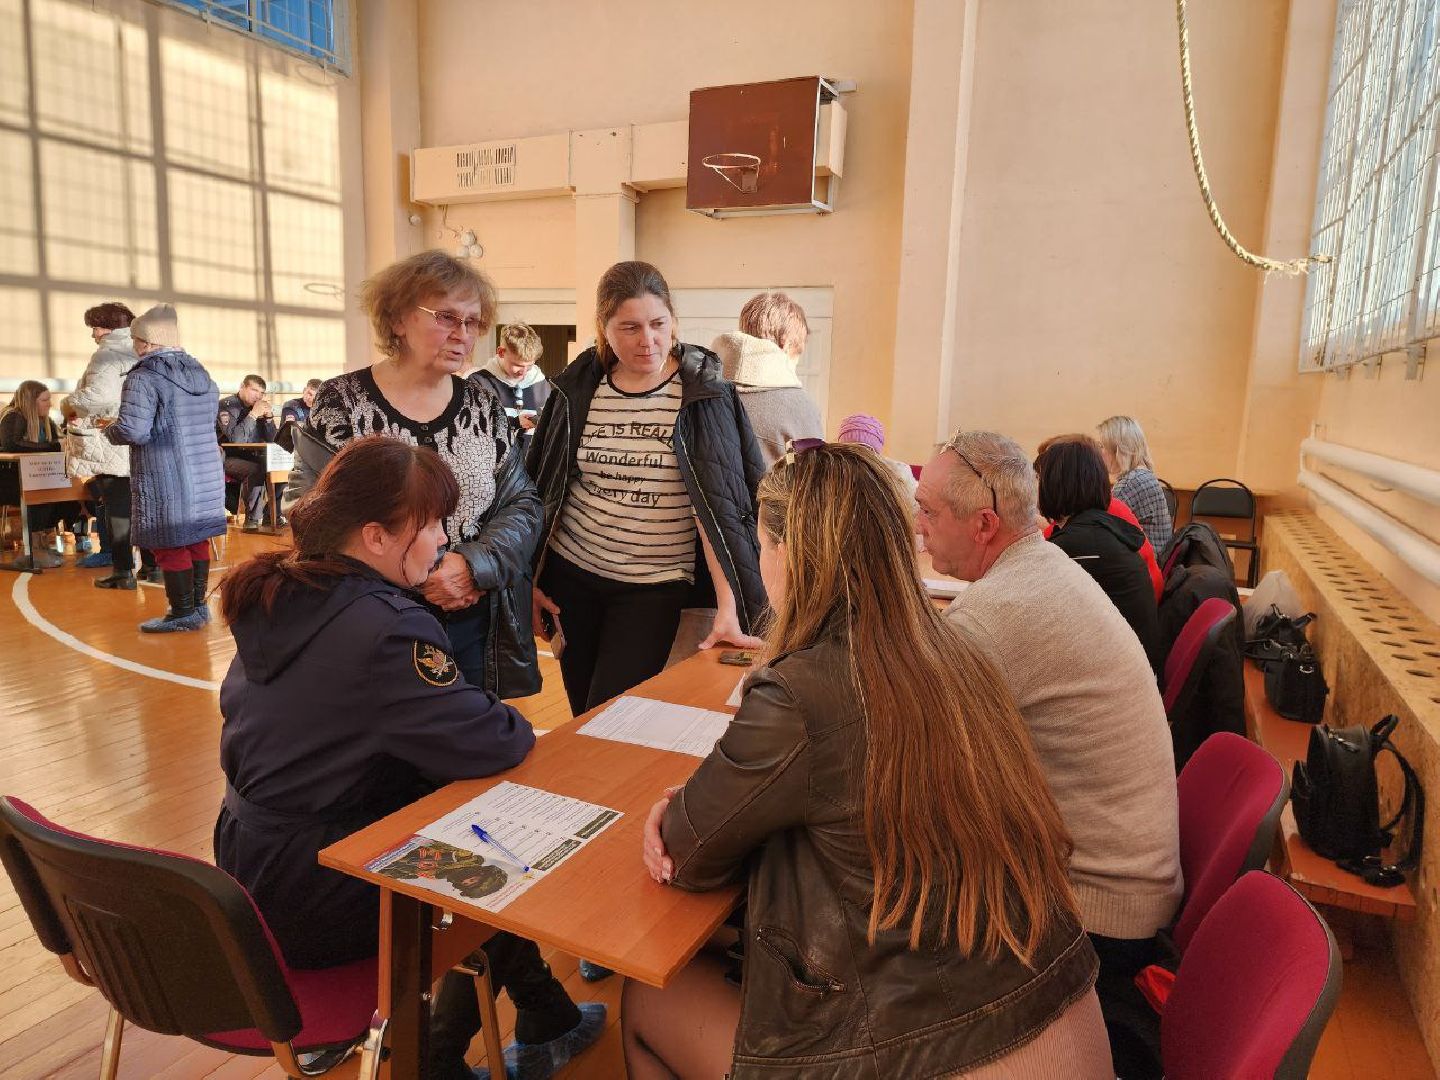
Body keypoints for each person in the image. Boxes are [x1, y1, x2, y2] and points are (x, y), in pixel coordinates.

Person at [622, 443, 1109, 1079]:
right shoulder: (955, 651)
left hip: (942, 1046)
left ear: (790, 555)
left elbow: (687, 853)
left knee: (646, 997)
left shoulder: (800, 692)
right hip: (1056, 1001)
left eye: (763, 546)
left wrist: (669, 811)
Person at [215, 436, 604, 1080]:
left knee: (462, 839)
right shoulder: (386, 627)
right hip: (323, 888)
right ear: (374, 536)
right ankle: (434, 1062)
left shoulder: (281, 591)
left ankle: (547, 1017)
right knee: (495, 862)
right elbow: (493, 740)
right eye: (428, 526)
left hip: (249, 866)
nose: (441, 541)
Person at [918, 430, 1181, 1078]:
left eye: (928, 512)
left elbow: (895, 750)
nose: (918, 529)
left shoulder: (1000, 612)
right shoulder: (1046, 568)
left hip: (1094, 916)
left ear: (983, 524)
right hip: (1123, 882)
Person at [286, 249, 542, 697]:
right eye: (446, 317)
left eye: (472, 322)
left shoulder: (481, 404)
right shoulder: (342, 402)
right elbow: (310, 515)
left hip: (474, 615)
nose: (462, 334)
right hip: (377, 620)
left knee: (472, 750)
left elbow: (522, 505)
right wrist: (415, 572)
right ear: (398, 319)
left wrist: (471, 566)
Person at [528, 260, 767, 718]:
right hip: (573, 577)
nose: (647, 340)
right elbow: (544, 487)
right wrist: (531, 580)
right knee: (582, 713)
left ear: (674, 321)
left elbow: (717, 509)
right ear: (604, 327)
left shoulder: (704, 393)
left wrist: (729, 605)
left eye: (658, 324)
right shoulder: (578, 386)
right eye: (630, 327)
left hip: (652, 587)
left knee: (610, 714)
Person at [105, 304, 228, 633]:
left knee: (169, 540)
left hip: (166, 473)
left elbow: (133, 430)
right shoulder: (202, 375)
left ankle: (182, 613)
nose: (133, 346)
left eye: (134, 340)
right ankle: (198, 608)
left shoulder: (144, 376)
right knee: (195, 539)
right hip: (204, 474)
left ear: (145, 342)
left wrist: (109, 429)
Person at [1035, 435, 1164, 678]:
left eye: (1040, 479)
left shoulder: (1079, 543)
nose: (1036, 487)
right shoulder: (1095, 527)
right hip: (1130, 668)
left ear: (1057, 484)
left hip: (1121, 683)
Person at [66, 302, 145, 587]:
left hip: (112, 441)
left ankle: (123, 572)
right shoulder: (140, 350)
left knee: (118, 506)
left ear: (108, 328)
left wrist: (68, 404)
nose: (93, 335)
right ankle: (150, 565)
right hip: (137, 438)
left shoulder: (106, 355)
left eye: (96, 328)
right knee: (141, 505)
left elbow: (97, 397)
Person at [710, 291, 822, 469]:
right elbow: (812, 484)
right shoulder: (801, 408)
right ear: (785, 344)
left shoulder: (703, 390)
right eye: (797, 355)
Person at [0, 380, 79, 568]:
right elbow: (12, 445)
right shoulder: (12, 416)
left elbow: (59, 440)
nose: (49, 404)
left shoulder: (46, 420)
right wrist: (56, 445)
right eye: (45, 400)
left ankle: (42, 542)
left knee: (70, 500)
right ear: (30, 401)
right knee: (42, 495)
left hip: (39, 476)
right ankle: (33, 548)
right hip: (10, 478)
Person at [1097, 415, 1173, 555]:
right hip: (1157, 560)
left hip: (1149, 566)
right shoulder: (1142, 475)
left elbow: (1099, 528)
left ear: (1118, 449)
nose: (1098, 452)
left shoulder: (1130, 483)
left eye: (1102, 446)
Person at [473, 322, 552, 453]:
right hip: (494, 466)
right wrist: (514, 422)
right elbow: (472, 427)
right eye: (518, 365)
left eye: (530, 366)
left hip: (533, 468)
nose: (524, 372)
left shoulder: (542, 385)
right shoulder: (478, 383)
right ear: (501, 352)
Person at [218, 374, 278, 532]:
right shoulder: (227, 406)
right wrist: (253, 415)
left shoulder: (258, 408)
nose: (258, 396)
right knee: (255, 469)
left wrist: (270, 418)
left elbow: (274, 439)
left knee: (280, 466)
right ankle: (252, 519)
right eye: (254, 390)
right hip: (226, 457)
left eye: (262, 393)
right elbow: (236, 439)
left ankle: (271, 515)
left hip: (252, 455)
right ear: (242, 387)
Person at [834, 412, 919, 500]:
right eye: (851, 452)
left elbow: (914, 505)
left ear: (876, 455)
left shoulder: (898, 473)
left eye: (866, 451)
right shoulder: (835, 472)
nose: (859, 458)